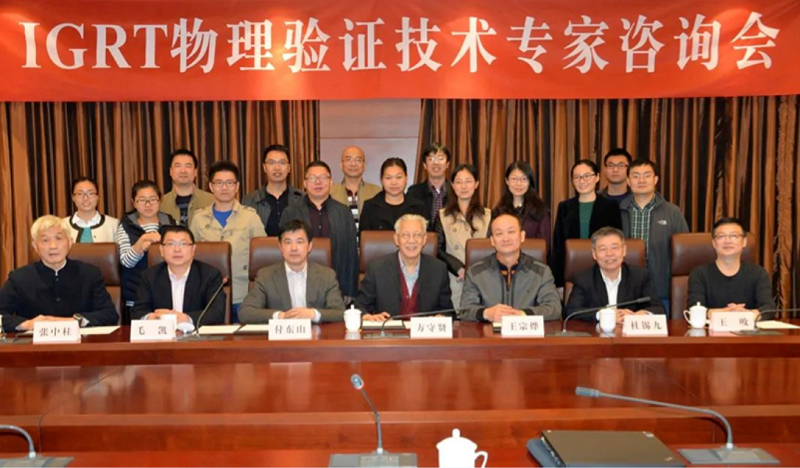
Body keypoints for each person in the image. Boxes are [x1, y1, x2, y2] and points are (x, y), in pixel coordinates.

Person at [0, 215, 117, 332]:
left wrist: (75, 321)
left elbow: (110, 314)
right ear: (35, 246)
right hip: (34, 342)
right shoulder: (19, 278)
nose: (53, 246)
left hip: (80, 342)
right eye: (45, 240)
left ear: (70, 242)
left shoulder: (90, 274)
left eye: (59, 238)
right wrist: (28, 324)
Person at [190, 161, 266, 322]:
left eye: (229, 183)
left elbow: (262, 259)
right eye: (219, 183)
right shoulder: (198, 218)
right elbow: (189, 256)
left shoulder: (250, 217)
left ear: (237, 186)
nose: (224, 188)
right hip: (208, 297)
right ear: (211, 186)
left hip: (243, 295)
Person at [460, 213, 561, 322]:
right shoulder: (475, 272)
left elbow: (554, 308)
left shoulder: (541, 272)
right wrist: (487, 313)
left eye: (511, 232)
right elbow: (465, 310)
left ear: (522, 236)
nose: (505, 238)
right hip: (489, 331)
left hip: (525, 331)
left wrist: (522, 314)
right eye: (499, 233)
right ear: (492, 240)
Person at [239, 220, 345, 324]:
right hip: (282, 334)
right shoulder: (266, 276)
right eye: (288, 242)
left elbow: (340, 312)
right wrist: (280, 316)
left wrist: (312, 314)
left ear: (309, 246)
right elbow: (245, 313)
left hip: (315, 333)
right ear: (280, 247)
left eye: (299, 242)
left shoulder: (327, 275)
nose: (294, 248)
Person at [280, 161, 359, 300]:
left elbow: (351, 253)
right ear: (305, 183)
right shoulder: (291, 212)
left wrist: (350, 290)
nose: (318, 182)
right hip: (299, 283)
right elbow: (283, 249)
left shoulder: (344, 212)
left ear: (331, 182)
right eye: (312, 178)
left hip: (336, 284)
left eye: (323, 177)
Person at [620, 158, 689, 310]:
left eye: (647, 175)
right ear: (628, 181)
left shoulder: (672, 212)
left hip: (662, 290)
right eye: (636, 176)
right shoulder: (617, 211)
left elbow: (683, 255)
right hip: (625, 292)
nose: (641, 180)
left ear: (655, 179)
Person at [356, 214, 452, 320]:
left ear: (424, 239)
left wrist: (442, 317)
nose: (411, 241)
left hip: (423, 330)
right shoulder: (376, 268)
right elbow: (359, 307)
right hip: (388, 330)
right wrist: (367, 317)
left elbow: (449, 312)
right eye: (405, 235)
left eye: (417, 235)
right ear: (396, 239)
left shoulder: (438, 269)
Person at [130, 225, 226, 331]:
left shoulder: (210, 275)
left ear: (193, 249)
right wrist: (151, 317)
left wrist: (187, 318)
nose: (177, 249)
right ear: (161, 250)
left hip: (197, 337)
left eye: (183, 244)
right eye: (170, 244)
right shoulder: (149, 276)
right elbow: (137, 311)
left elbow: (216, 313)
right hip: (161, 337)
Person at [564, 227, 665, 322]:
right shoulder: (583, 279)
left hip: (628, 333)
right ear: (594, 254)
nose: (609, 254)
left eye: (614, 248)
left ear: (624, 250)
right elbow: (570, 312)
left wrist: (642, 315)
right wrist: (605, 316)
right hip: (596, 333)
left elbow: (659, 308)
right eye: (603, 249)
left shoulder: (639, 276)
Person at [551, 159, 622, 287]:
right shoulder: (564, 207)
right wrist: (559, 282)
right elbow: (558, 245)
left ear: (597, 177)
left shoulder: (610, 206)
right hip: (573, 271)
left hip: (603, 269)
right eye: (577, 177)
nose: (582, 181)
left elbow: (617, 240)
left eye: (586, 176)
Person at [688, 217, 775, 317]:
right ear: (714, 243)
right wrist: (727, 313)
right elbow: (694, 307)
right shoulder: (699, 274)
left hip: (748, 326)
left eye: (734, 236)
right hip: (712, 326)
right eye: (721, 236)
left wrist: (746, 315)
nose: (727, 241)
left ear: (744, 241)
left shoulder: (758, 273)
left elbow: (768, 307)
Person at [116, 180, 176, 321]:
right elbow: (126, 261)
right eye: (142, 200)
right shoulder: (126, 225)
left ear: (160, 200)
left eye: (153, 199)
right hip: (136, 295)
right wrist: (141, 242)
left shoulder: (171, 223)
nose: (148, 205)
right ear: (134, 202)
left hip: (167, 293)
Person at [433, 164, 490, 307]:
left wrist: (473, 271)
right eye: (459, 182)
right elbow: (437, 249)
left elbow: (494, 248)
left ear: (476, 184)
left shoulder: (488, 215)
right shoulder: (442, 216)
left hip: (482, 278)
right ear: (452, 185)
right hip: (454, 277)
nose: (463, 186)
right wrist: (459, 268)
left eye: (468, 181)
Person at [242, 144, 304, 236]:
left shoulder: (302, 198)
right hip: (262, 246)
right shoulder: (249, 201)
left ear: (289, 168)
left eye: (282, 163)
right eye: (271, 163)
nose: (277, 168)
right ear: (264, 167)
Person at [492, 161, 551, 252]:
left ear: (529, 182)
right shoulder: (498, 211)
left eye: (524, 179)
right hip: (503, 259)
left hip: (531, 259)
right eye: (514, 179)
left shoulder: (541, 210)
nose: (519, 183)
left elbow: (544, 246)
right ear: (507, 181)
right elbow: (491, 241)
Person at [359, 158, 426, 232]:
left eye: (399, 177)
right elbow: (364, 237)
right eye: (388, 178)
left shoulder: (418, 207)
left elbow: (426, 236)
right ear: (382, 180)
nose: (394, 182)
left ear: (406, 179)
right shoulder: (370, 207)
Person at [330, 145, 381, 232]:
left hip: (368, 240)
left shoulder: (377, 192)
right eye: (348, 159)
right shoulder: (330, 192)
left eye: (358, 160)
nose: (353, 164)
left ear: (364, 165)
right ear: (341, 165)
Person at [160, 149, 215, 227]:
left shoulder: (212, 201)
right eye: (178, 166)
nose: (183, 171)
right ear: (171, 171)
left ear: (195, 172)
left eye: (188, 166)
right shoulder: (160, 204)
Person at [407, 142, 451, 230]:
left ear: (447, 164)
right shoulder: (414, 192)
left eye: (440, 158)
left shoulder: (455, 191)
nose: (436, 163)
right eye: (431, 159)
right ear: (425, 165)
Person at [64, 176, 119, 243]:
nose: (85, 198)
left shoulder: (114, 225)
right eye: (80, 194)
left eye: (90, 193)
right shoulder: (63, 225)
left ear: (97, 196)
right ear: (73, 197)